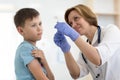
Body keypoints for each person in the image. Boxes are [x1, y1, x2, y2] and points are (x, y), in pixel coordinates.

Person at [54, 4, 120, 80]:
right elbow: (76, 74)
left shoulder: (111, 30)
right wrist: (66, 50)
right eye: (71, 23)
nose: (73, 25)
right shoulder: (84, 50)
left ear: (87, 16)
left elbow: (98, 58)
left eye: (76, 18)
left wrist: (74, 36)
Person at [14, 8, 54, 80]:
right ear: (21, 30)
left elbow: (52, 79)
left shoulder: (36, 50)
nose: (39, 28)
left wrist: (44, 61)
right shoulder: (25, 48)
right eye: (33, 25)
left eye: (40, 24)